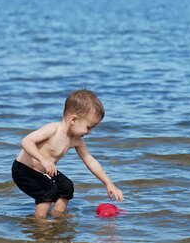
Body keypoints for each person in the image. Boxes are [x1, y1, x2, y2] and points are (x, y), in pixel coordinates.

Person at [12, 89, 124, 219]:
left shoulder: (77, 140)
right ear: (73, 120)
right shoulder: (53, 129)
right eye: (88, 127)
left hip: (44, 172)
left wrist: (108, 183)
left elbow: (89, 160)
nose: (89, 132)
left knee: (66, 187)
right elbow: (26, 141)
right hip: (23, 170)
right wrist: (43, 160)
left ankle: (58, 215)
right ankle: (40, 223)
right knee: (47, 191)